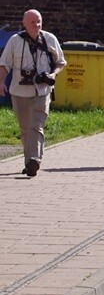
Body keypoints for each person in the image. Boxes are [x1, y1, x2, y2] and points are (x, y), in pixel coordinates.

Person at [0, 9, 66, 177]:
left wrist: (53, 74)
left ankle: (34, 160)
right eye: (32, 22)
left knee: (36, 126)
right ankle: (28, 161)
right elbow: (4, 64)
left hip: (41, 91)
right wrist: (1, 82)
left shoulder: (50, 39)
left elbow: (60, 62)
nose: (36, 25)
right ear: (24, 23)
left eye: (39, 22)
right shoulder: (15, 41)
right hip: (19, 92)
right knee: (24, 129)